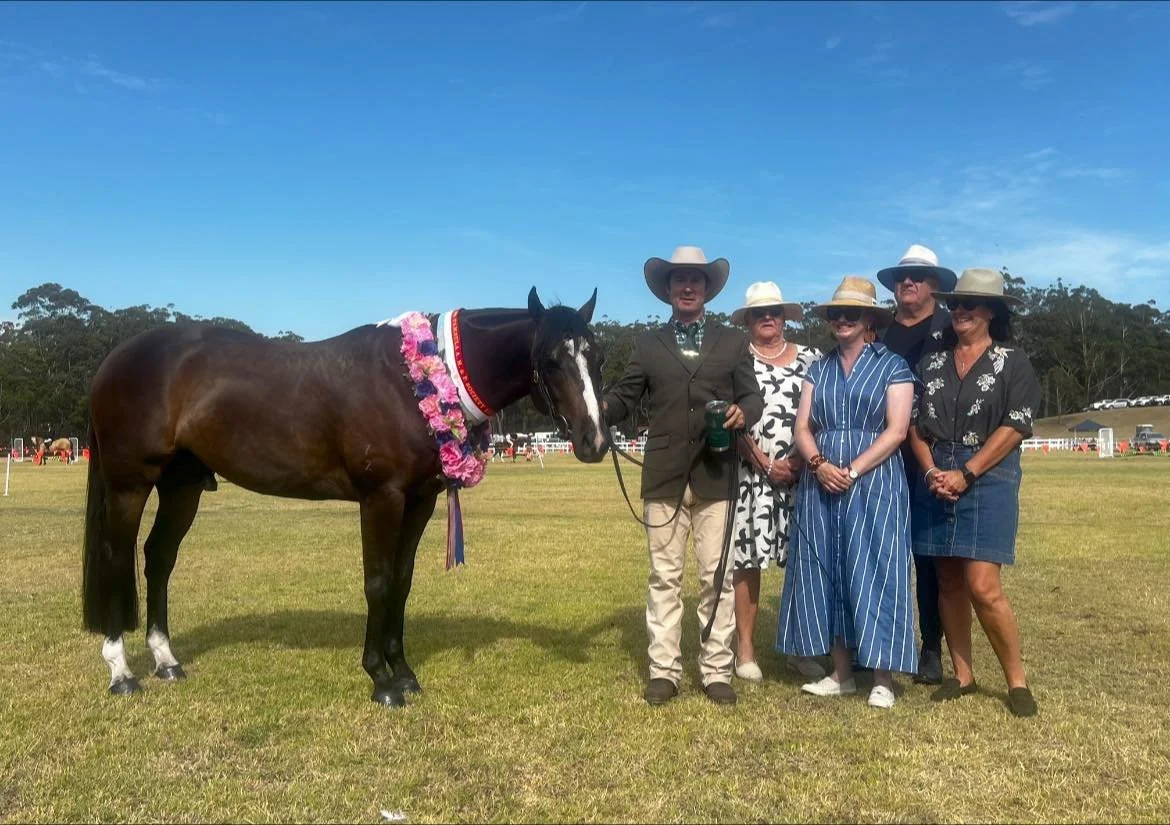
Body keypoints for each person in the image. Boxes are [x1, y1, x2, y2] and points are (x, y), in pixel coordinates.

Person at [603, 245, 764, 706]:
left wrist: (743, 412)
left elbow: (752, 397)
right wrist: (598, 408)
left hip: (718, 472)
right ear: (668, 289)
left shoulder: (732, 342)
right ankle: (664, 670)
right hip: (664, 474)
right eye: (680, 280)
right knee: (664, 577)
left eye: (696, 279)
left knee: (717, 577)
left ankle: (716, 670)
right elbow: (625, 396)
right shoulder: (647, 344)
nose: (688, 286)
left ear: (707, 289)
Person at [776, 276, 917, 709]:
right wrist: (819, 465)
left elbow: (897, 431)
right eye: (836, 313)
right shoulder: (818, 369)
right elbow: (803, 427)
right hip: (821, 479)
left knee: (877, 566)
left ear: (868, 319)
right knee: (828, 566)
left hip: (874, 479)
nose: (842, 319)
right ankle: (841, 672)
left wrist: (853, 470)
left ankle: (882, 676)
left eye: (851, 313)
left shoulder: (893, 366)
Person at [907, 268, 1041, 717]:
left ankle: (1016, 681)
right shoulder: (931, 362)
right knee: (947, 579)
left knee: (983, 585)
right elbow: (914, 425)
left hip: (988, 475)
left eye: (969, 304)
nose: (958, 310)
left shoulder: (1012, 361)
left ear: (991, 311)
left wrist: (966, 472)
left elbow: (1016, 425)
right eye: (954, 304)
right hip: (936, 475)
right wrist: (931, 471)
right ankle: (962, 676)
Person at [726, 281, 824, 683]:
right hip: (751, 475)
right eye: (759, 313)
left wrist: (800, 462)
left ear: (785, 318)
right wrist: (766, 463)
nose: (768, 317)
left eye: (775, 311)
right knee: (747, 562)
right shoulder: (735, 360)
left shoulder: (813, 359)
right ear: (747, 320)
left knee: (804, 564)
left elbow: (825, 416)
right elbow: (731, 420)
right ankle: (745, 650)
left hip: (803, 477)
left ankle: (800, 648)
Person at [875, 244, 958, 685]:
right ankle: (875, 641)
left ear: (935, 285)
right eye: (901, 277)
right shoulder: (878, 332)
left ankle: (930, 646)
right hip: (882, 457)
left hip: (931, 455)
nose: (908, 282)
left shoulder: (952, 329)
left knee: (928, 557)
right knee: (879, 552)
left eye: (918, 277)